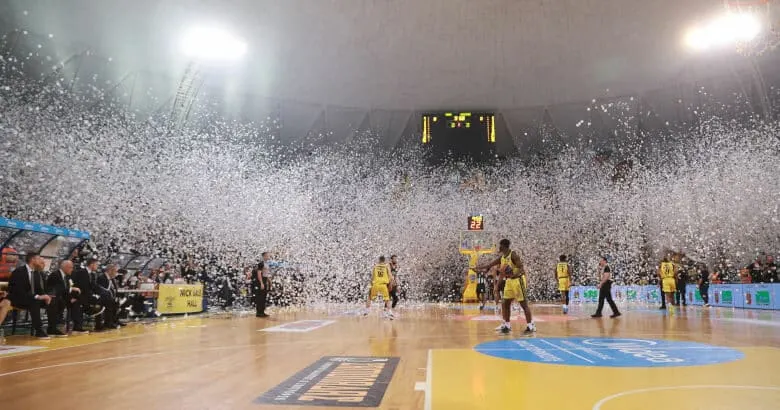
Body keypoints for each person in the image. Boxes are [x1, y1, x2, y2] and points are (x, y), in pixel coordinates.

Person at [477, 239, 535, 335]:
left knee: (523, 304)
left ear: (504, 246)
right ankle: (507, 326)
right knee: (505, 303)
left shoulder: (513, 255)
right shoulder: (502, 257)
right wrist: (479, 267)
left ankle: (530, 326)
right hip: (509, 281)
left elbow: (521, 267)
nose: (498, 247)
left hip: (518, 280)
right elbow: (490, 264)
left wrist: (513, 273)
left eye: (500, 246)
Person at [7, 252, 57, 338]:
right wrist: (38, 297)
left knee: (53, 301)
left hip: (31, 298)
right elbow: (19, 291)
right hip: (18, 299)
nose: (41, 261)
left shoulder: (36, 273)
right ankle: (39, 330)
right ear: (32, 259)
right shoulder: (19, 272)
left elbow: (39, 290)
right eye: (39, 259)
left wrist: (46, 296)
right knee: (35, 302)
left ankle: (52, 328)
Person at [45, 260, 89, 335]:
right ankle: (52, 328)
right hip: (54, 298)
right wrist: (70, 293)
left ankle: (77, 327)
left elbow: (66, 289)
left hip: (63, 297)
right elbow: (59, 289)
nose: (72, 269)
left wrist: (72, 297)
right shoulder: (55, 275)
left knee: (77, 301)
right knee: (57, 302)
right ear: (65, 267)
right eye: (71, 268)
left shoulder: (67, 276)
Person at [252, 252, 271, 318]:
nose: (269, 257)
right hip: (261, 280)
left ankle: (262, 312)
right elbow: (259, 273)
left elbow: (266, 274)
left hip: (265, 279)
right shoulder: (261, 264)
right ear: (264, 256)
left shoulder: (267, 264)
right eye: (268, 255)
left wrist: (269, 281)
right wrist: (261, 283)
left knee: (264, 297)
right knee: (260, 297)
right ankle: (259, 313)